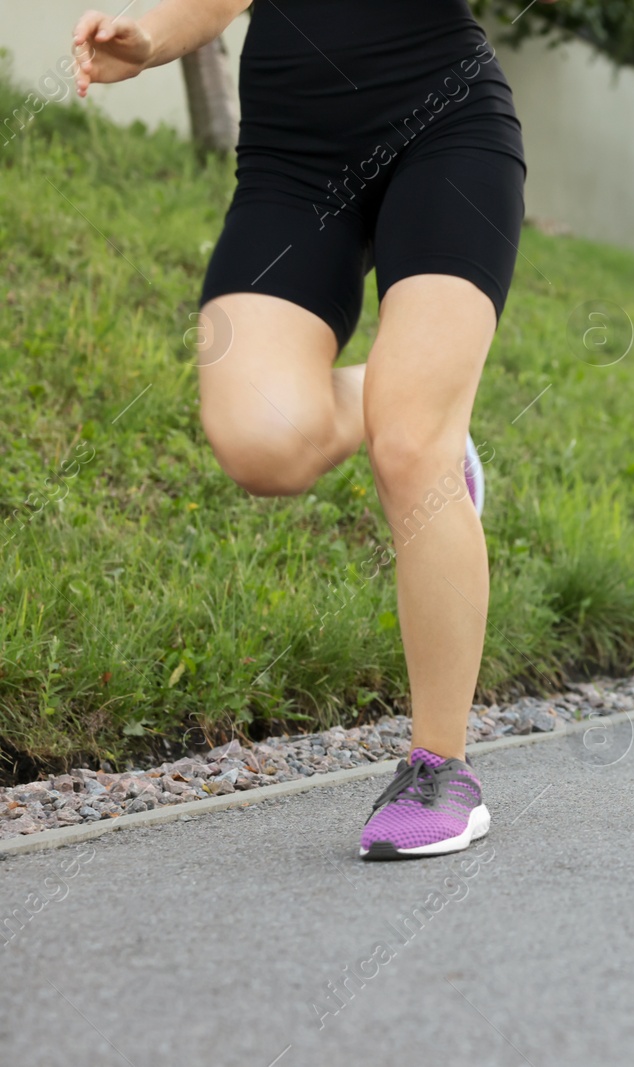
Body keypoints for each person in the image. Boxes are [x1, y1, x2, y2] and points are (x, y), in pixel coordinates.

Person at [73, 0, 530, 854]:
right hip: (293, 164)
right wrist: (151, 39)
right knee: (262, 443)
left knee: (407, 449)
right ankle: (408, 404)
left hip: (447, 132)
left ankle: (440, 768)